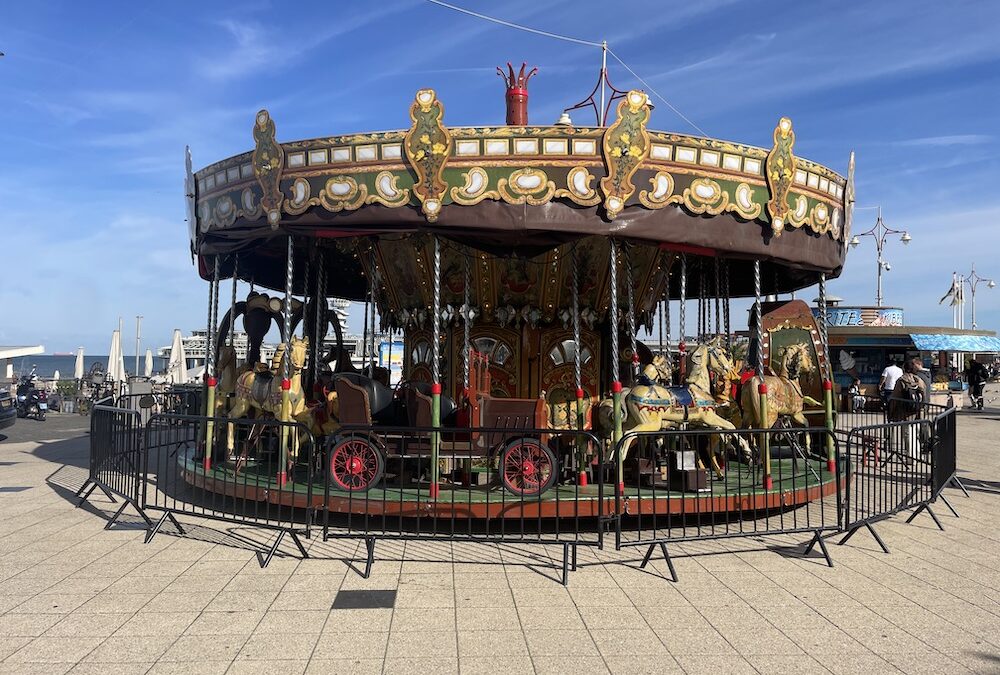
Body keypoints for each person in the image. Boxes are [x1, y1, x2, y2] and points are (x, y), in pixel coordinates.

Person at [888, 359, 927, 465]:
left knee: (908, 435)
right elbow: (924, 395)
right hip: (918, 412)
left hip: (905, 412)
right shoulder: (918, 380)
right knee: (916, 435)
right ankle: (917, 455)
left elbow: (895, 398)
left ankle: (911, 458)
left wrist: (891, 412)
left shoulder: (901, 381)